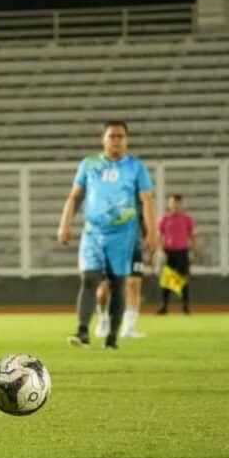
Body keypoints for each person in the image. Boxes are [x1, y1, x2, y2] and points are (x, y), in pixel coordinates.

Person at [57, 121, 157, 350]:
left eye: (120, 136)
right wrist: (64, 225)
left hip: (123, 235)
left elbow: (147, 200)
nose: (116, 141)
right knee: (90, 279)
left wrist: (152, 233)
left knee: (118, 283)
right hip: (92, 232)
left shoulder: (136, 167)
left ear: (127, 140)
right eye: (112, 136)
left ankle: (112, 337)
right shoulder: (89, 164)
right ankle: (82, 332)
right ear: (103, 139)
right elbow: (75, 196)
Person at [93, 236, 148, 339]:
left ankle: (129, 327)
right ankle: (103, 319)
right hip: (108, 245)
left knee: (133, 284)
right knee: (104, 286)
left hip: (133, 246)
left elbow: (146, 223)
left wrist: (150, 238)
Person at [157, 194, 198, 314]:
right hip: (168, 252)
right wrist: (160, 251)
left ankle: (185, 306)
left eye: (177, 203)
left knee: (183, 279)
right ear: (169, 204)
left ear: (181, 204)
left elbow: (193, 236)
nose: (175, 205)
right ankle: (164, 306)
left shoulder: (187, 219)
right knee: (167, 280)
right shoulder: (164, 219)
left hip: (182, 252)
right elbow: (159, 236)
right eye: (173, 202)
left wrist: (195, 252)